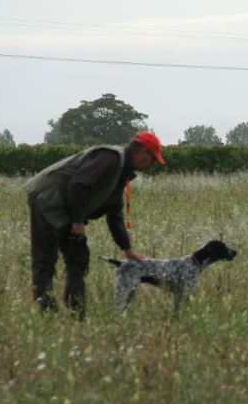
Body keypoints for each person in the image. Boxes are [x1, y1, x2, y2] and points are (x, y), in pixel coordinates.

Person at [25, 131, 165, 318]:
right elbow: (78, 185)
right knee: (45, 260)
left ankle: (77, 313)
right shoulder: (111, 158)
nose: (151, 165)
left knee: (79, 258)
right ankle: (48, 314)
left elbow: (114, 214)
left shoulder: (121, 172)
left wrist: (127, 249)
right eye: (152, 160)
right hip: (47, 199)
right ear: (143, 154)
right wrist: (77, 221)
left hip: (68, 206)